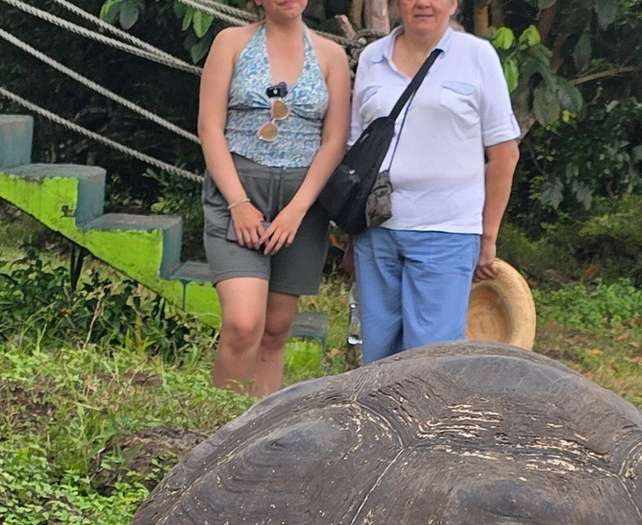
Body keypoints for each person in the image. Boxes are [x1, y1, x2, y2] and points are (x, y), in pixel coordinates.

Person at [347, 0, 520, 364]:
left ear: (454, 3)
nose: (423, 3)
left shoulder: (477, 56)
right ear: (396, 4)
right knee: (377, 357)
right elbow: (355, 147)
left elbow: (504, 153)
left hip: (447, 231)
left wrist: (487, 237)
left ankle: (431, 424)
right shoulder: (372, 58)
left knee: (432, 361)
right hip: (376, 231)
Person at [198, 0, 350, 396]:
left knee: (276, 329)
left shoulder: (331, 55)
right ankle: (219, 425)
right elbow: (210, 127)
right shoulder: (230, 42)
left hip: (302, 201)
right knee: (244, 323)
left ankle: (259, 436)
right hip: (240, 189)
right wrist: (238, 203)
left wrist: (297, 210)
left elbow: (335, 141)